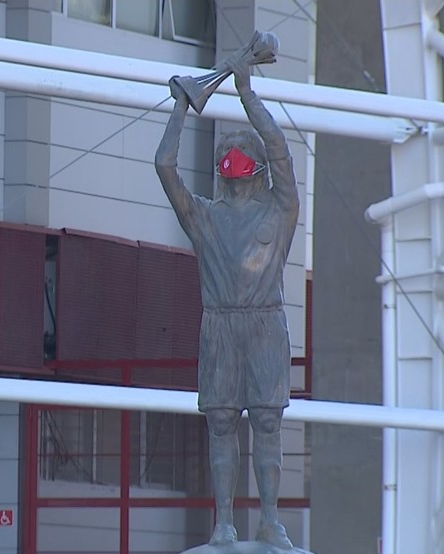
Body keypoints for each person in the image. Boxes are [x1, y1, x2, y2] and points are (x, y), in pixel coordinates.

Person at [153, 46, 300, 549]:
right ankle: (223, 524)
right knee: (220, 425)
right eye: (227, 156)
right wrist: (179, 105)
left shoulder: (280, 212)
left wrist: (245, 93)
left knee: (266, 423)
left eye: (240, 155)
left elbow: (280, 148)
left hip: (264, 325)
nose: (230, 161)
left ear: (255, 170)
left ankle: (270, 521)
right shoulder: (204, 217)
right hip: (219, 324)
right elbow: (165, 165)